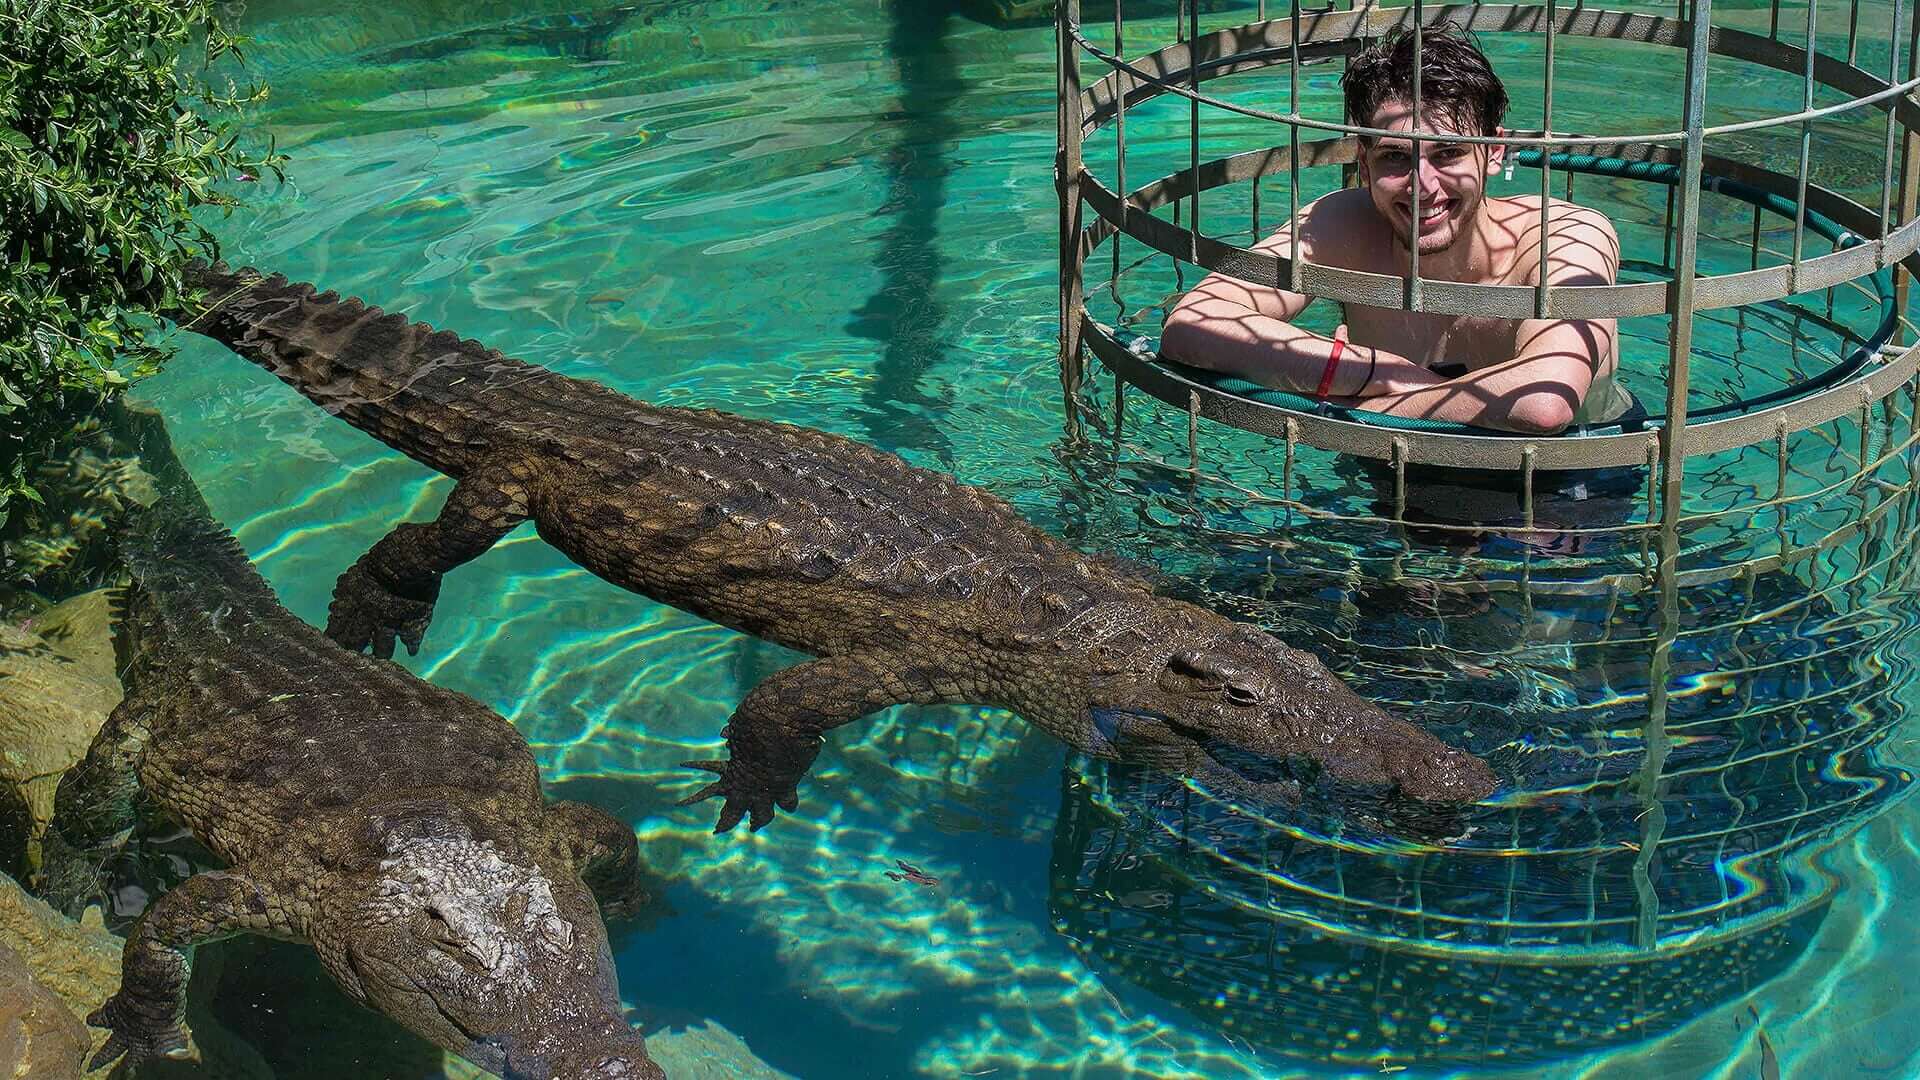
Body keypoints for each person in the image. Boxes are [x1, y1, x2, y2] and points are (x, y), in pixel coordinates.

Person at [1160, 24, 1630, 435]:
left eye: (1447, 154)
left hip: (1567, 485)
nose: (1422, 186)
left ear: (1494, 152)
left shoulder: (1566, 235)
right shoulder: (1342, 223)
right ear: (1363, 163)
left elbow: (1543, 405)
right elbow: (1189, 326)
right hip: (1391, 463)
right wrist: (1370, 371)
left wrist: (1352, 405)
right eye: (1395, 157)